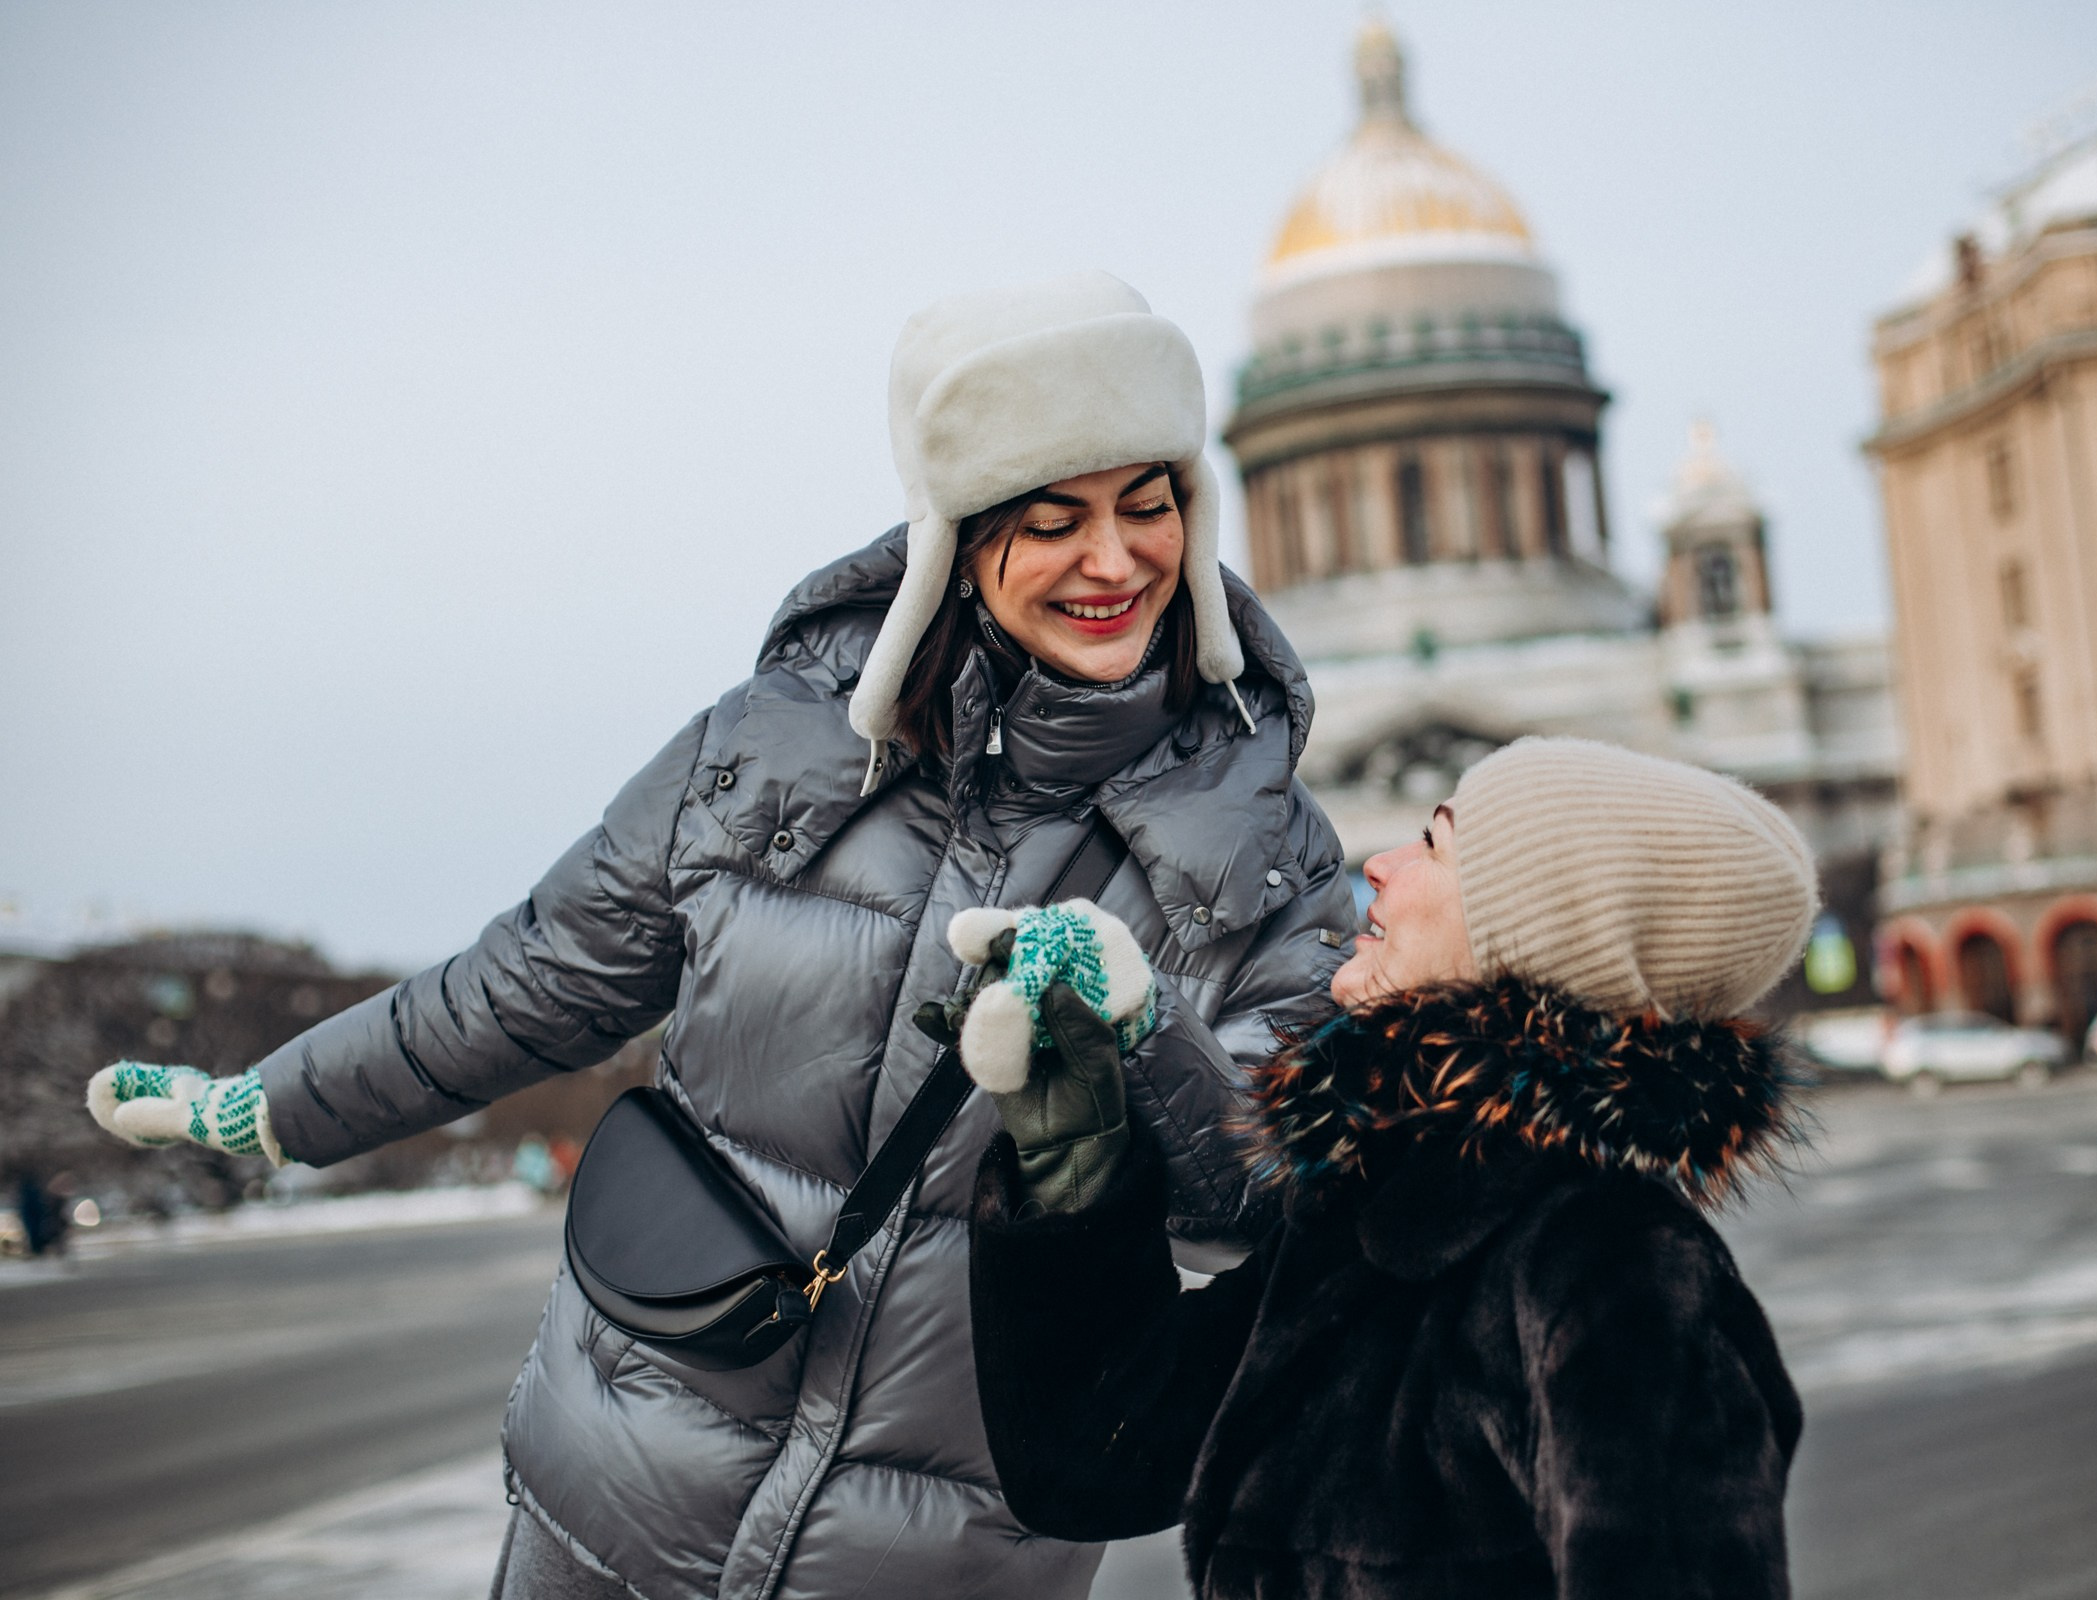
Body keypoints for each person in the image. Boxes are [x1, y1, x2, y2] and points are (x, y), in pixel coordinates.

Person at [83, 271, 1354, 1600]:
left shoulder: (1270, 847)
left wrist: (1145, 1037)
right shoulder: (771, 749)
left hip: (940, 1567)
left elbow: (1274, 1212)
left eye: (1149, 505)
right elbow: (527, 984)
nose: (1116, 560)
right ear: (956, 539)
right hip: (608, 1512)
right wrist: (274, 1101)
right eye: (1053, 521)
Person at [965, 737, 1817, 1600]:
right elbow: (1092, 1462)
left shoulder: (1612, 1263)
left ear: (1536, 938)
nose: (1381, 865)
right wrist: (1074, 1163)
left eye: (1435, 845)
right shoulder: (1375, 1212)